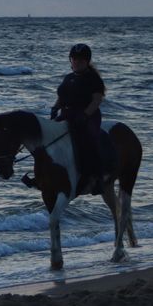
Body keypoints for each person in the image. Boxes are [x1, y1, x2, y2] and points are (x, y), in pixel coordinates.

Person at [51, 43, 107, 193]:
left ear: (87, 61)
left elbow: (97, 100)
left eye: (80, 60)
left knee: (89, 140)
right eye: (74, 59)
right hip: (67, 114)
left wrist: (85, 115)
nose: (77, 62)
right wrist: (55, 107)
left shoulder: (93, 79)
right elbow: (61, 96)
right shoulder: (68, 77)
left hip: (88, 116)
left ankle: (96, 177)